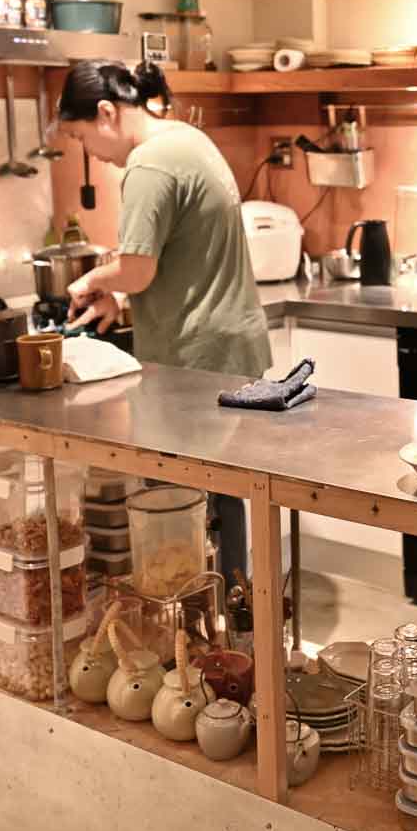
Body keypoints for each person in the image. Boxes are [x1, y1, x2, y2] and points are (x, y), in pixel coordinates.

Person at [56, 57, 272, 574]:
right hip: (230, 348)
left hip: (191, 363)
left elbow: (136, 270)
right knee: (223, 498)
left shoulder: (149, 165)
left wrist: (92, 281)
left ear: (107, 113)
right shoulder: (188, 139)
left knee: (182, 511)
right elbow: (182, 258)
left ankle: (197, 631)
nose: (91, 153)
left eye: (82, 137)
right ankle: (232, 617)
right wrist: (123, 296)